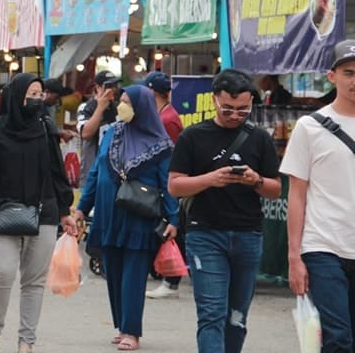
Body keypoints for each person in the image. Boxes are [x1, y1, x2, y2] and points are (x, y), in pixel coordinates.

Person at [167, 69, 281, 353]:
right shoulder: (193, 136)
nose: (235, 115)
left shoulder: (260, 139)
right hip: (205, 234)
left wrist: (255, 180)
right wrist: (211, 180)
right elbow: (175, 186)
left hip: (248, 234)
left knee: (237, 317)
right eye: (227, 108)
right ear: (214, 100)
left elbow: (275, 189)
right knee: (212, 314)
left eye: (243, 110)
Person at [0, 73, 77, 353]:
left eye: (40, 94)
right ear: (16, 96)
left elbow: (57, 172)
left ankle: (26, 341)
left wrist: (66, 210)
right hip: (3, 212)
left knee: (34, 281)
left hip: (45, 213)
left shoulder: (45, 129)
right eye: (32, 93)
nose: (37, 99)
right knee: (2, 273)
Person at [72, 86, 178, 351]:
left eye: (126, 102)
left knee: (133, 274)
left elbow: (169, 184)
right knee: (113, 271)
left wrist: (174, 219)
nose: (121, 107)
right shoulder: (113, 133)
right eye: (120, 102)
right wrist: (82, 207)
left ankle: (132, 330)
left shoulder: (160, 143)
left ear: (141, 107)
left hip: (139, 217)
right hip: (108, 214)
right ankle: (121, 326)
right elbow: (96, 171)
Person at [282, 41, 355, 352]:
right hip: (323, 245)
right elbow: (296, 195)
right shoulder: (309, 127)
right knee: (338, 338)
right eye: (348, 72)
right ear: (332, 76)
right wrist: (294, 256)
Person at [142, 71, 186, 300]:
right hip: (164, 179)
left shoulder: (167, 119)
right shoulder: (161, 115)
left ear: (152, 92)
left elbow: (168, 154)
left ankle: (171, 280)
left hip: (169, 180)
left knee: (171, 228)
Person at [77, 70, 120, 187]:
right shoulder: (87, 107)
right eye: (109, 86)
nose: (113, 90)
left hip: (114, 169)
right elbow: (86, 134)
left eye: (115, 86)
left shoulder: (118, 107)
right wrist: (100, 108)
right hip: (92, 169)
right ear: (98, 87)